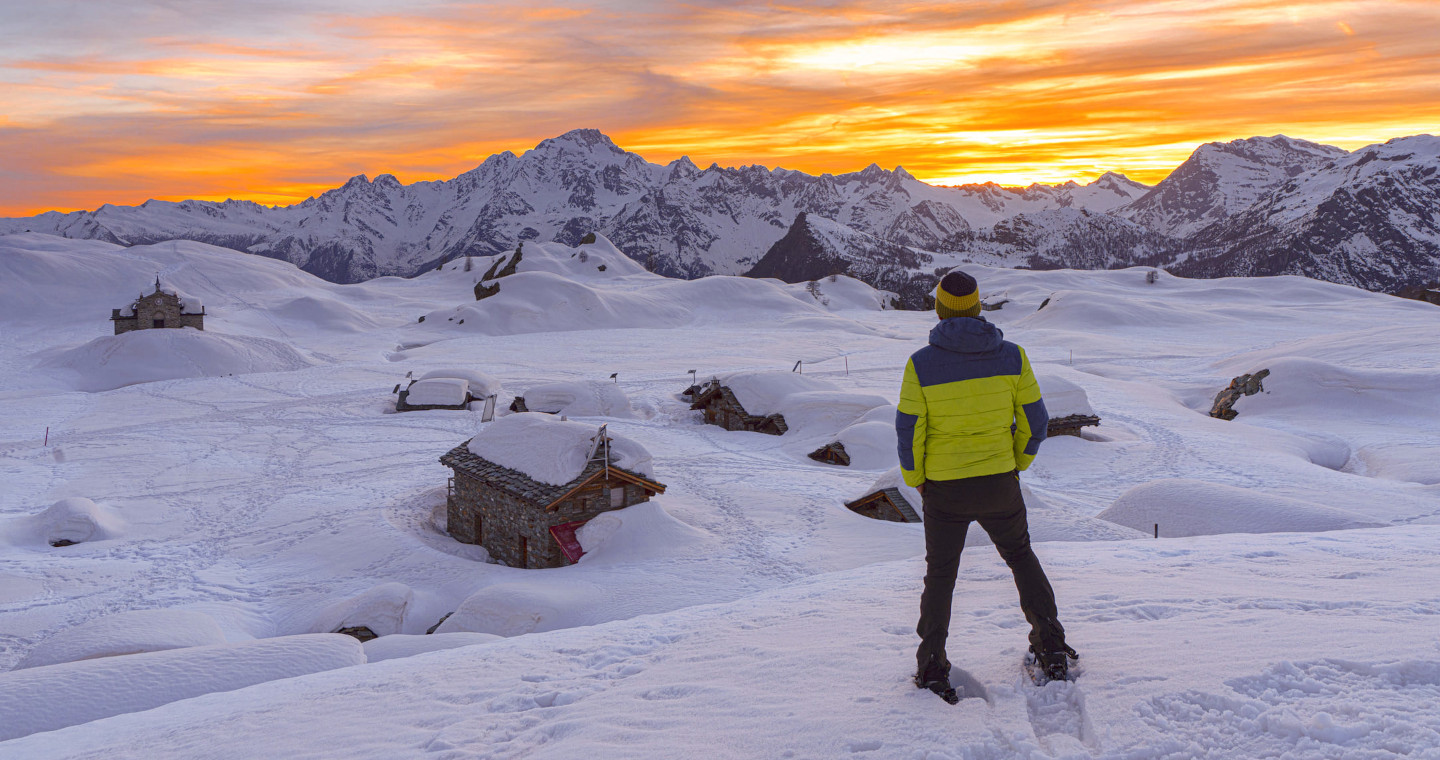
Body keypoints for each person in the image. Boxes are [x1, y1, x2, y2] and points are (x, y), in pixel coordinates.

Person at [896, 270, 1074, 703]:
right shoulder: (1013, 356)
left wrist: (916, 479)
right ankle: (1051, 648)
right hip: (998, 483)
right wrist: (1016, 463)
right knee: (1021, 557)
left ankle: (932, 667)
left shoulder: (921, 364)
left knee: (941, 575)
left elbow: (909, 430)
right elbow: (1036, 422)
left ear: (939, 310)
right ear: (977, 308)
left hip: (943, 489)